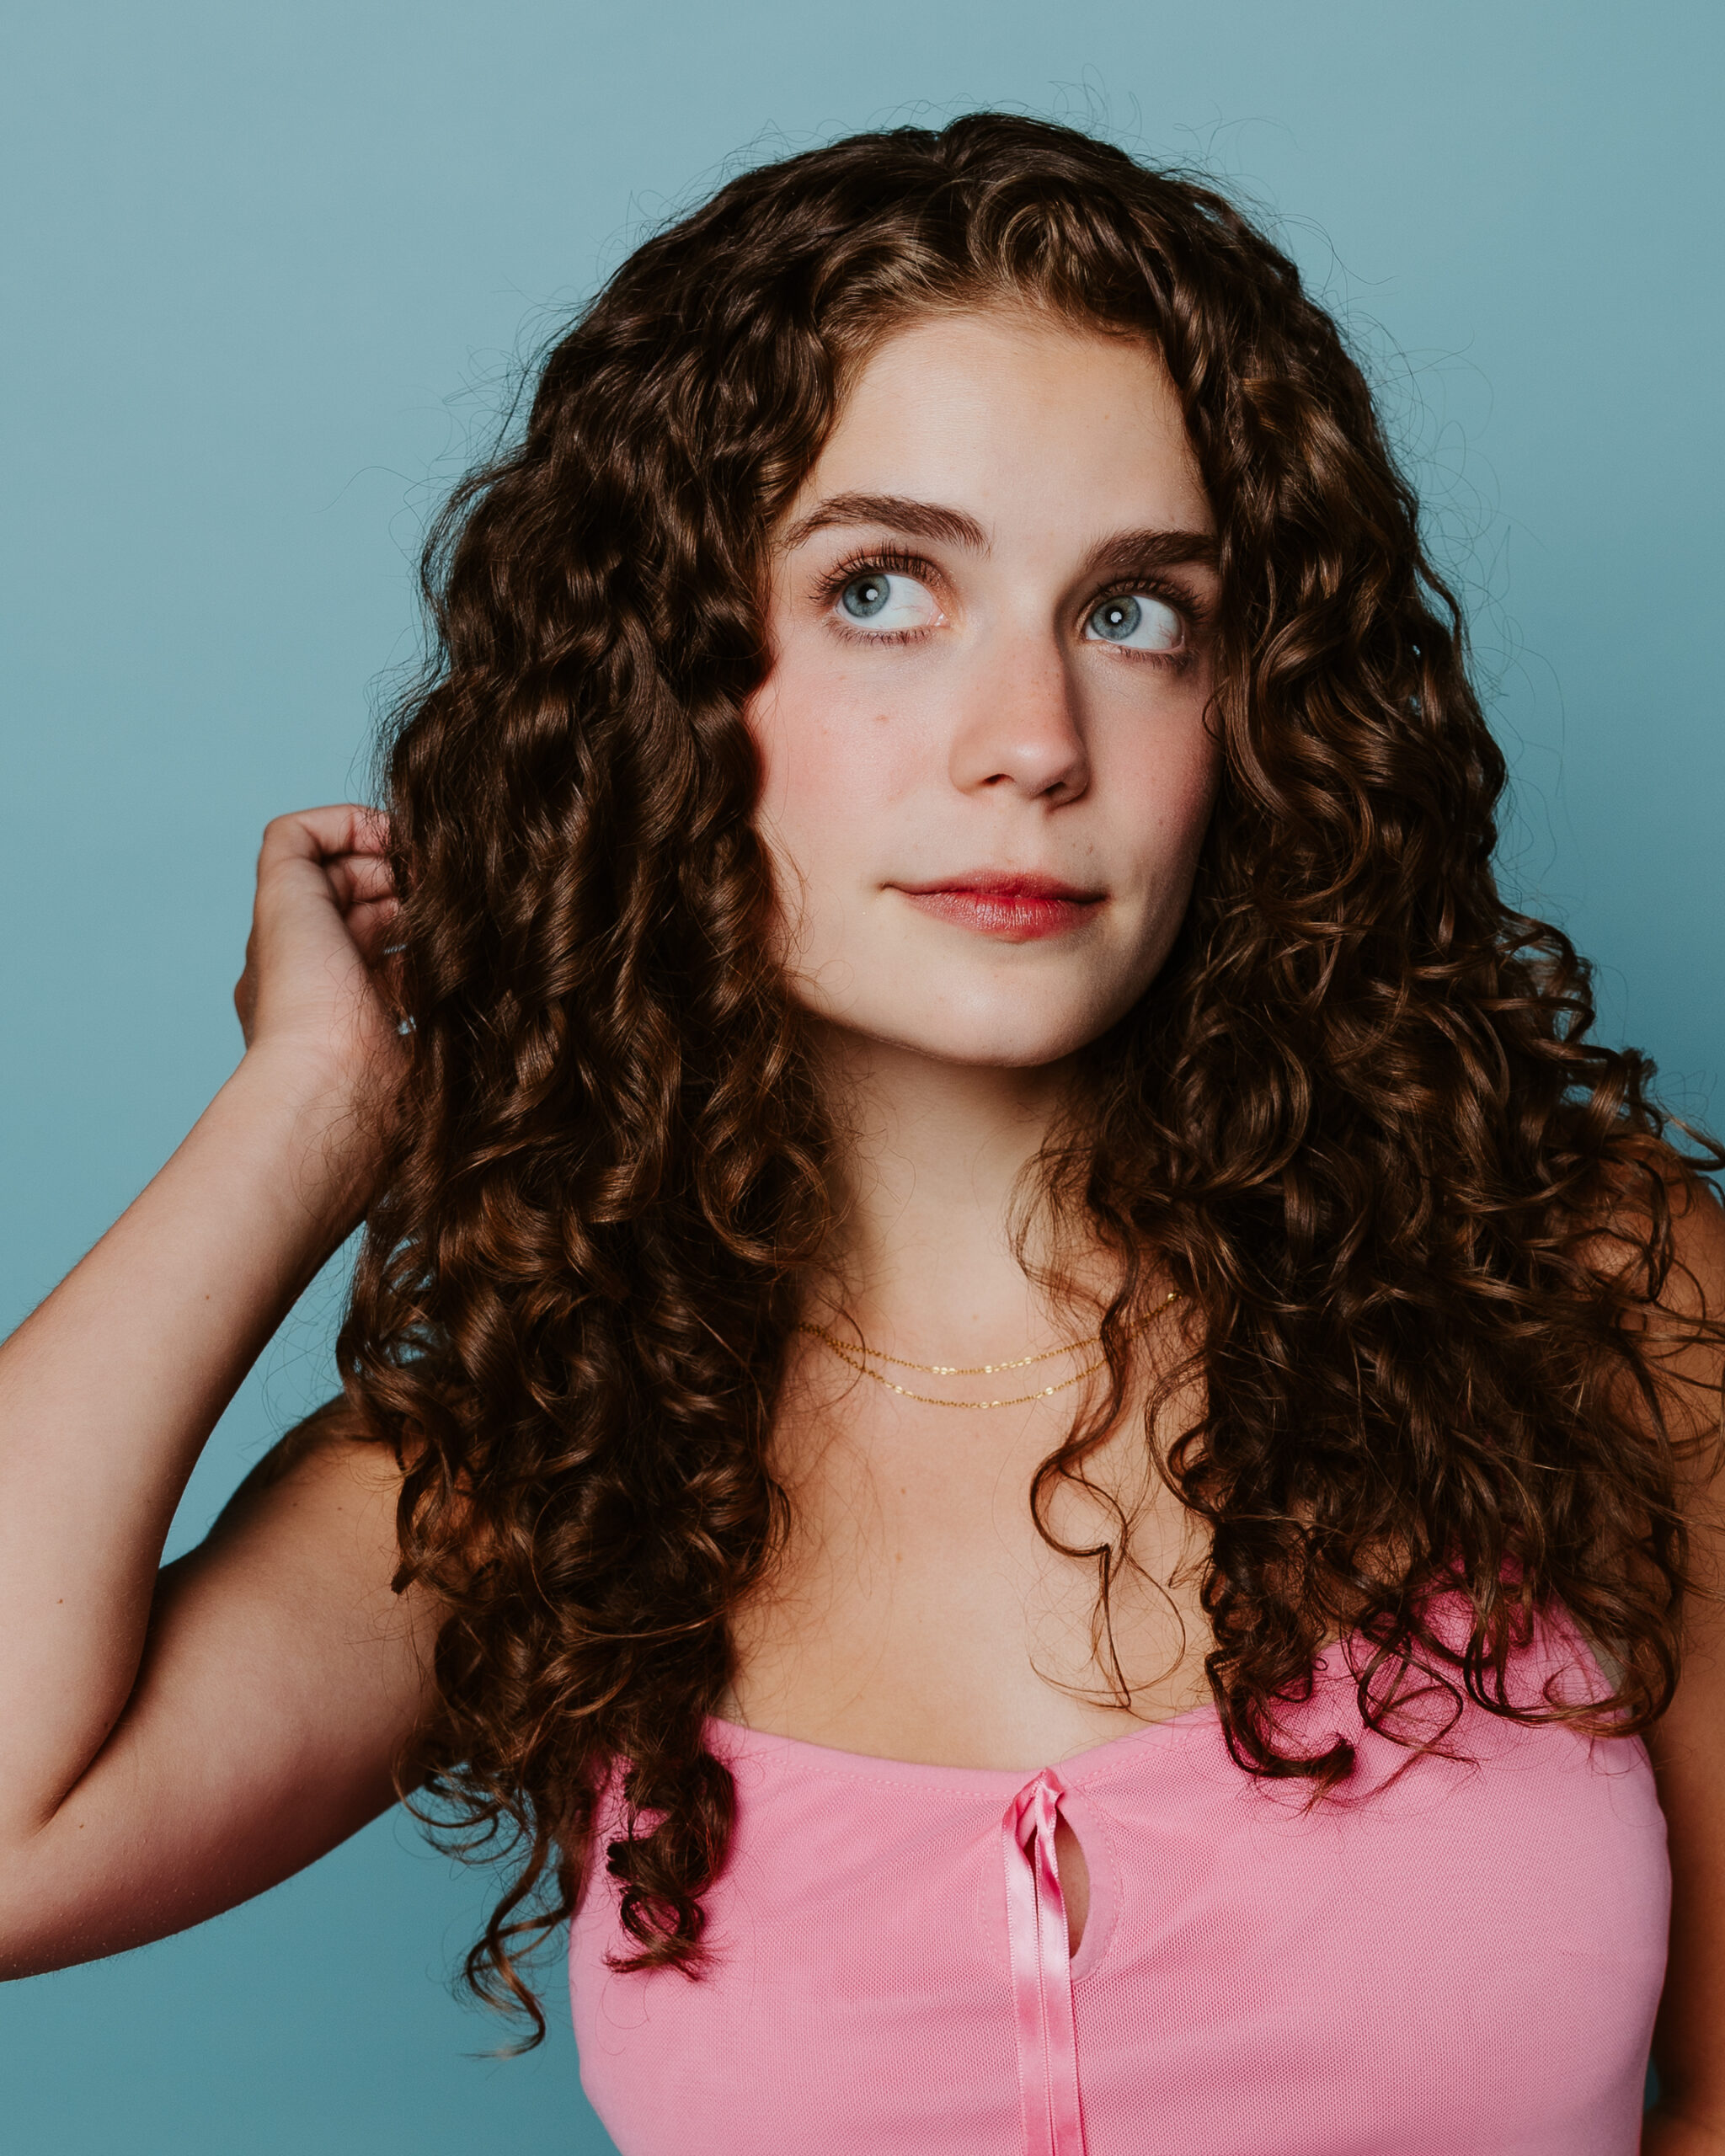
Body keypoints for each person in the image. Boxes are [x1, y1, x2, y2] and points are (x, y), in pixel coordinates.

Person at [0, 111, 1720, 2156]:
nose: (1030, 741)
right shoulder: (552, 1455)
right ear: (665, 688)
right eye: (885, 588)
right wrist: (310, 1109)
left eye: (1137, 612)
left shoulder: (1582, 1291)